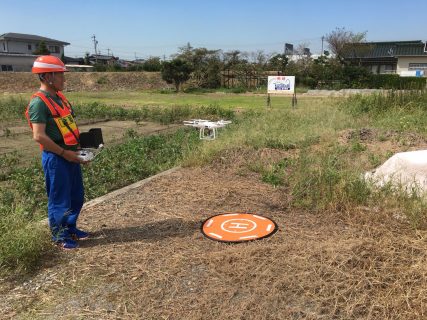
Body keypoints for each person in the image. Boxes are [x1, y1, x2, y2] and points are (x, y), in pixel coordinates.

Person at [25, 55, 89, 250]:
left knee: (76, 195)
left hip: (71, 154)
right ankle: (59, 235)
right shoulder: (39, 103)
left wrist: (78, 151)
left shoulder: (59, 98)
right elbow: (39, 136)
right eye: (60, 75)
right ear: (47, 76)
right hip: (57, 158)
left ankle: (70, 228)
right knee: (59, 199)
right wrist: (64, 153)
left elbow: (67, 127)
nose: (64, 79)